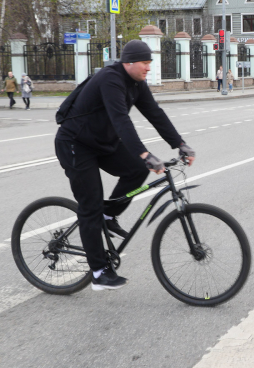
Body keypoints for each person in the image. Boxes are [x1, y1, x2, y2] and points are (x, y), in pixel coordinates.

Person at [55, 40, 196, 291]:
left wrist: (180, 144)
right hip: (76, 144)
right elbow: (121, 121)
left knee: (136, 170)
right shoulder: (111, 79)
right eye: (145, 63)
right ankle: (98, 272)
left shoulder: (137, 84)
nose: (148, 68)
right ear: (129, 62)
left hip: (102, 142)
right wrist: (144, 154)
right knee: (90, 207)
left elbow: (155, 114)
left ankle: (109, 216)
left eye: (150, 63)